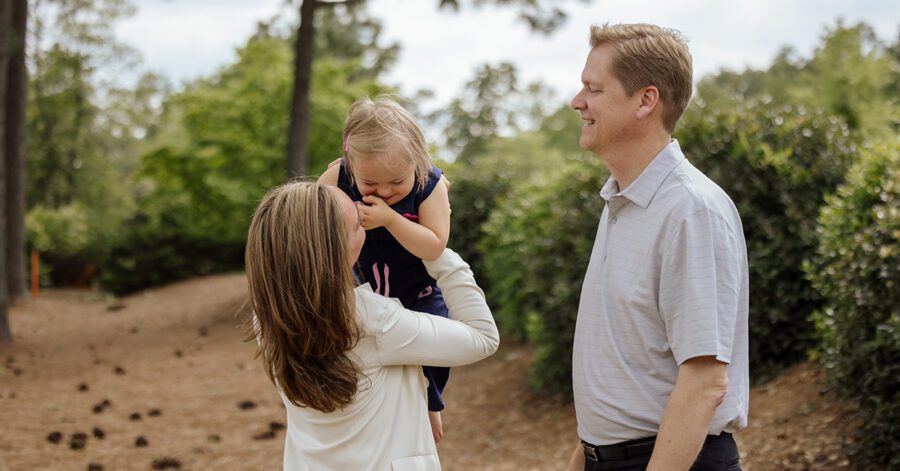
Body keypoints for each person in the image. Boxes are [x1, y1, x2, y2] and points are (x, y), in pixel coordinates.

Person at [566, 23, 749, 471]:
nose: (577, 102)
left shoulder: (691, 211)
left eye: (594, 89)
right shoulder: (619, 202)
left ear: (646, 100)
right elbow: (621, 375)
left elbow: (705, 382)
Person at [245, 182, 498, 470]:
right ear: (336, 251)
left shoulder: (268, 315)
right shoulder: (370, 320)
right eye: (357, 225)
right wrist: (436, 249)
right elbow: (482, 337)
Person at [318, 96, 453, 442]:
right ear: (351, 162)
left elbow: (435, 244)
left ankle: (429, 401)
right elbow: (312, 210)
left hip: (415, 290)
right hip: (361, 289)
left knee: (437, 345)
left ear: (418, 163)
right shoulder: (341, 174)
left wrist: (391, 219)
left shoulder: (429, 185)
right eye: (370, 184)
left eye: (397, 181)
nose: (385, 191)